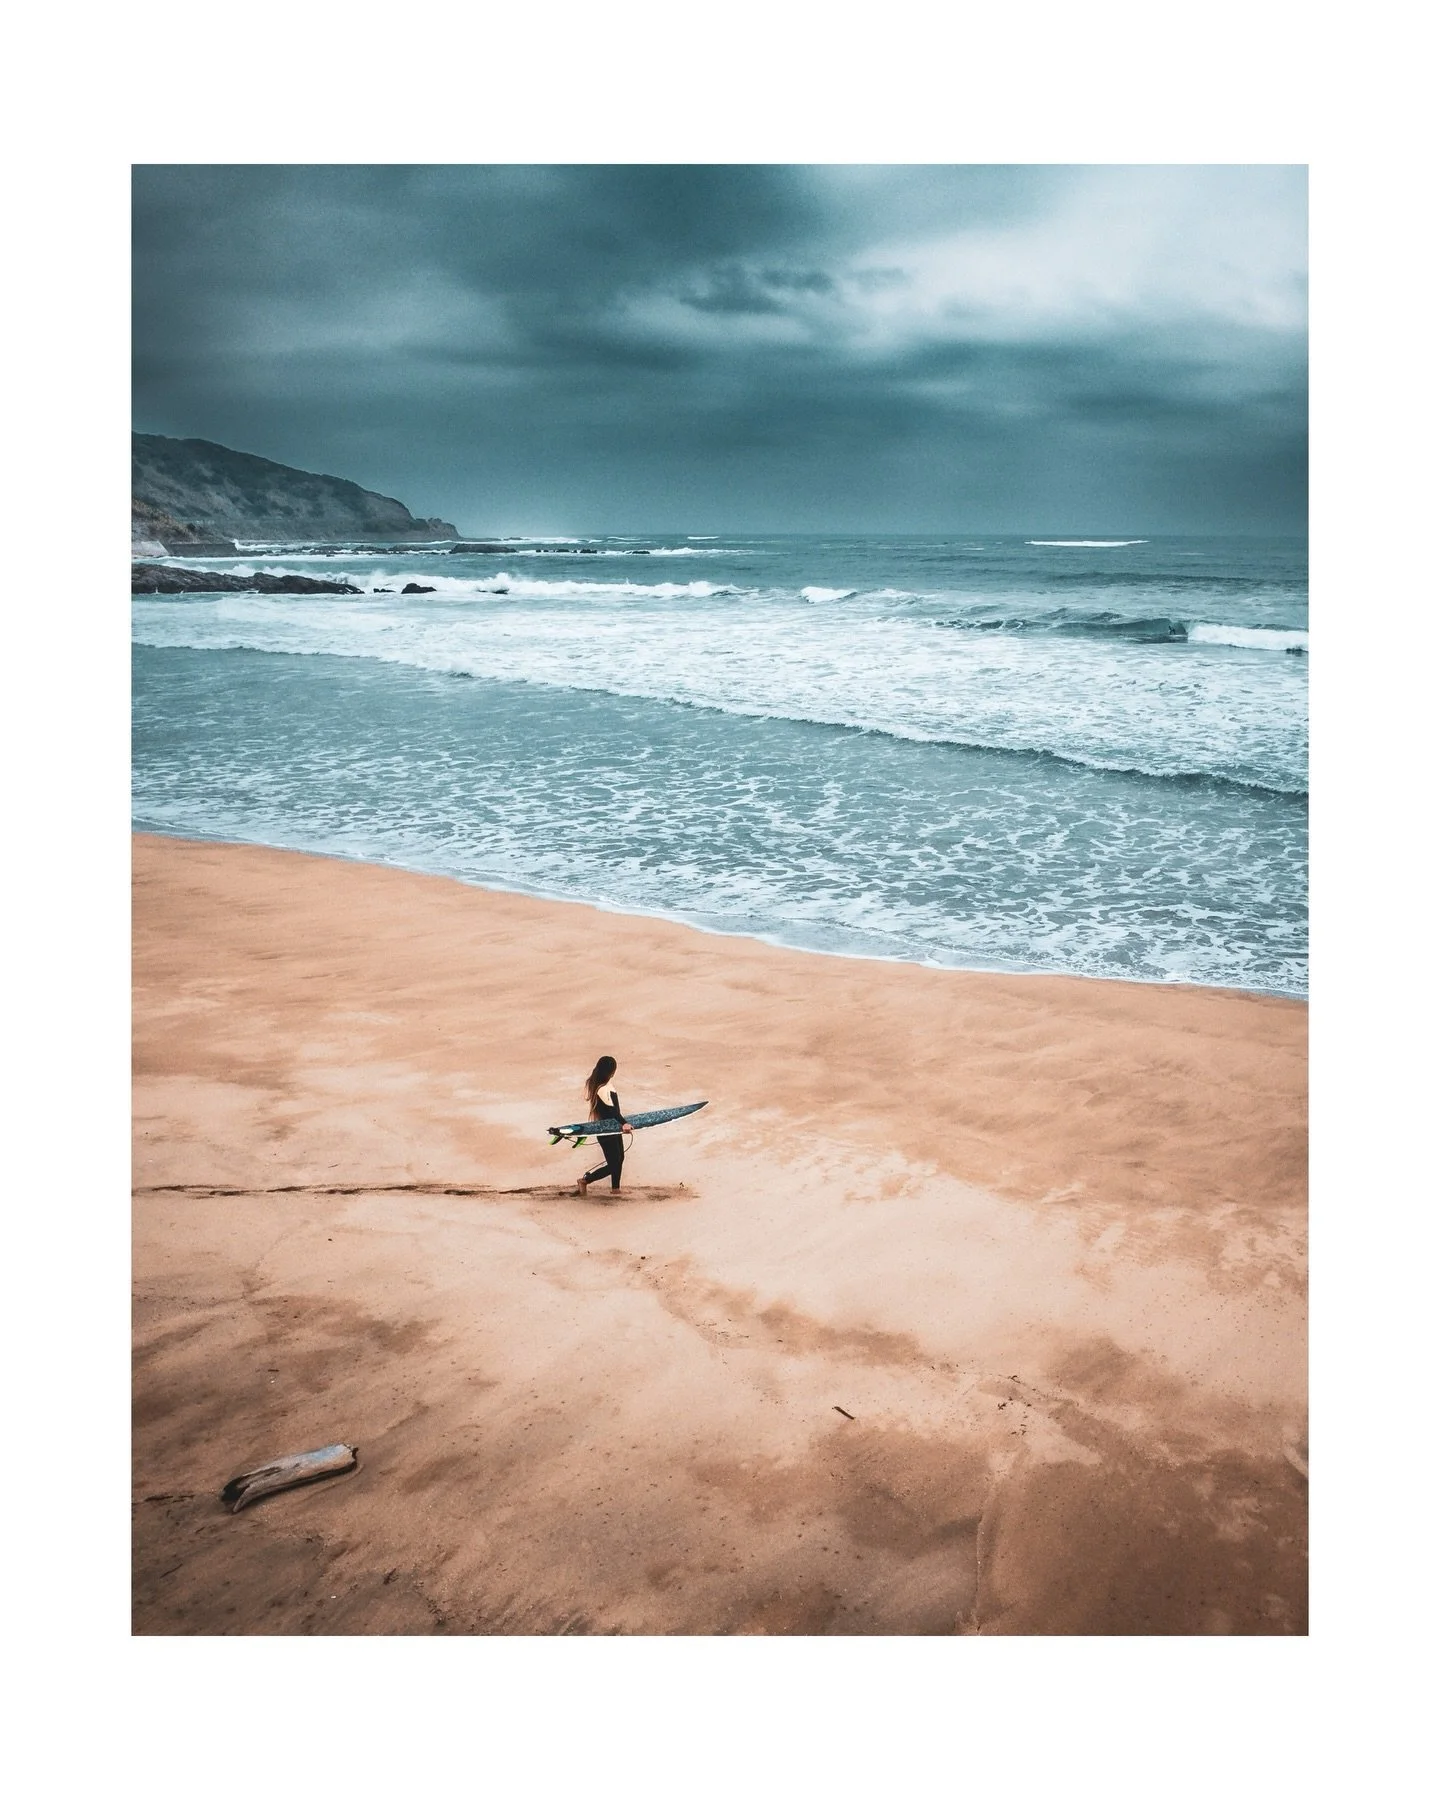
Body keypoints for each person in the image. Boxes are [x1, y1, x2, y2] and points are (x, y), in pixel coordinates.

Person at [576, 1055, 633, 1194]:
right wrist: (624, 1123)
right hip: (606, 1132)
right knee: (614, 1163)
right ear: (611, 1072)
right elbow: (612, 1110)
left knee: (620, 1159)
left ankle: (615, 1189)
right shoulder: (602, 1089)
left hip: (614, 1128)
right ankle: (585, 1180)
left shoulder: (606, 1085)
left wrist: (621, 1125)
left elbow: (614, 1111)